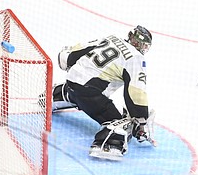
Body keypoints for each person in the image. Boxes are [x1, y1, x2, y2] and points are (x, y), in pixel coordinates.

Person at [40, 25, 155, 160]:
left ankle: (55, 95)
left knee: (77, 89)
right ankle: (108, 143)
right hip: (88, 94)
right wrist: (141, 120)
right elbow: (136, 94)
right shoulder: (136, 58)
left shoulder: (112, 39)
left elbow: (74, 54)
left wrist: (67, 59)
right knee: (121, 124)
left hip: (71, 82)